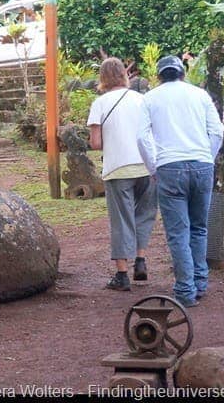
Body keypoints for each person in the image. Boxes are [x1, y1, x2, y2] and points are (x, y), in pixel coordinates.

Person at [144, 52, 224, 307]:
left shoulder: (149, 98)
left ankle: (185, 291)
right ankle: (200, 283)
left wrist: (153, 168)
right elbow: (217, 131)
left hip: (169, 167)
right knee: (199, 228)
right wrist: (207, 158)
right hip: (202, 165)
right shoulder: (199, 95)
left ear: (159, 76)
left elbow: (141, 138)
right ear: (182, 73)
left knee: (178, 232)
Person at [87, 57, 158, 290]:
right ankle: (140, 260)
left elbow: (95, 143)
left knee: (121, 220)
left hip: (118, 168)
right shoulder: (142, 99)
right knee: (144, 214)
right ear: (124, 75)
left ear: (103, 77)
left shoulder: (100, 103)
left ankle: (122, 274)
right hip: (147, 166)